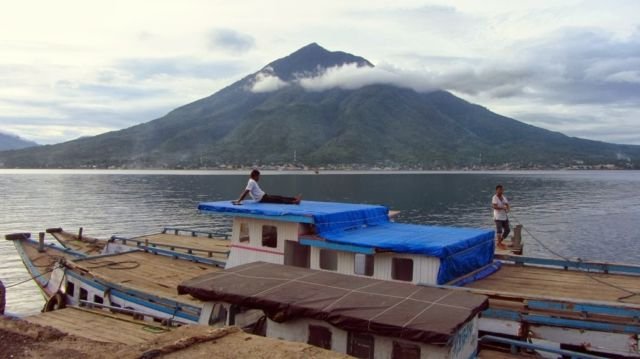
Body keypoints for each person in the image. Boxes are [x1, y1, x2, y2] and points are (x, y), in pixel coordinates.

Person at [232, 169, 301, 205]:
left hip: (264, 196)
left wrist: (239, 200)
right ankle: (294, 202)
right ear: (255, 176)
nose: (259, 178)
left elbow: (246, 191)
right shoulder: (251, 182)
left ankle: (294, 198)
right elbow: (246, 192)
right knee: (279, 200)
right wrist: (239, 201)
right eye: (258, 176)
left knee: (279, 197)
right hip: (262, 199)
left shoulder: (251, 181)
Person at [492, 184, 510, 250]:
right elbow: (494, 206)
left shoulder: (503, 197)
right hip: (498, 217)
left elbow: (507, 204)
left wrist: (508, 209)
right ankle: (499, 244)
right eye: (499, 190)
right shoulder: (494, 197)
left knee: (507, 230)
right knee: (499, 231)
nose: (501, 191)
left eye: (502, 190)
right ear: (496, 190)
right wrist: (502, 207)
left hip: (504, 216)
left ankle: (500, 241)